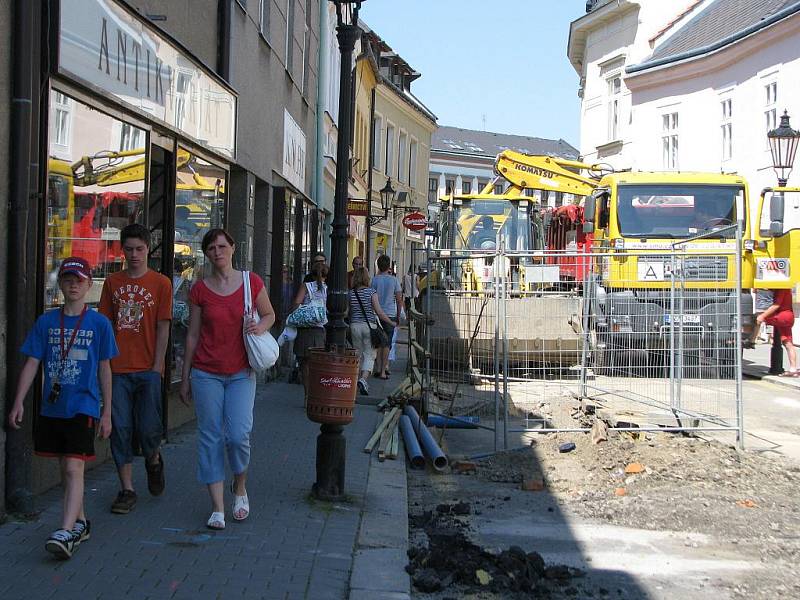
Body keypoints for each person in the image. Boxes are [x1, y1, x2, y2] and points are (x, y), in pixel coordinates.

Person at [8, 257, 118, 559]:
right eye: (68, 279)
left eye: (79, 280)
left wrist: (107, 411)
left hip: (83, 405)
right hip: (53, 405)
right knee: (66, 468)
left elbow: (106, 368)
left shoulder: (98, 323)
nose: (73, 284)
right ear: (61, 283)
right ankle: (81, 521)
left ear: (88, 284)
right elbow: (32, 362)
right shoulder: (46, 322)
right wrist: (19, 400)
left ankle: (65, 531)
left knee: (73, 466)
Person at [180, 229, 276, 530]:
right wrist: (184, 377)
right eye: (211, 248)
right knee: (210, 437)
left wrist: (260, 328)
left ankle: (240, 485)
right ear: (206, 254)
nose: (217, 251)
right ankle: (217, 507)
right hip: (206, 372)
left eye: (222, 246)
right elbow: (193, 335)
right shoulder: (200, 290)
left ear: (233, 248)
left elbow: (270, 314)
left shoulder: (251, 281)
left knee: (237, 436)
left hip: (240, 373)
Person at [99, 224, 172, 515]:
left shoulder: (161, 283)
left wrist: (157, 366)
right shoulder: (112, 282)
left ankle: (153, 459)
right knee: (121, 429)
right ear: (122, 250)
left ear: (147, 249)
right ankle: (126, 488)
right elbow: (105, 326)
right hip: (118, 369)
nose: (134, 255)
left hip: (148, 368)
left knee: (148, 428)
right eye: (128, 249)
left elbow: (163, 327)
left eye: (139, 249)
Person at [348, 267, 395, 395]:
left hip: (354, 326)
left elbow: (348, 312)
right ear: (366, 278)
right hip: (369, 326)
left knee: (358, 354)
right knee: (369, 355)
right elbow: (379, 312)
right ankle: (363, 380)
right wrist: (391, 322)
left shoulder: (350, 293)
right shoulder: (371, 292)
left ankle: (355, 380)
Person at [292, 261, 329, 387]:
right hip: (319, 329)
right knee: (317, 364)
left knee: (304, 364)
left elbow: (296, 304)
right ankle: (315, 391)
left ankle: (307, 393)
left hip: (305, 329)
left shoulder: (306, 286)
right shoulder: (327, 289)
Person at [371, 254, 402, 379]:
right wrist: (398, 316)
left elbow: (370, 297)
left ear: (378, 266)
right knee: (387, 343)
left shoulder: (374, 280)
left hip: (376, 314)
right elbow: (399, 300)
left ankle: (377, 368)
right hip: (390, 315)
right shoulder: (394, 280)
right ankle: (383, 370)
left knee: (378, 343)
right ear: (388, 266)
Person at [757, 287, 797, 376]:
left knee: (758, 318)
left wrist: (762, 316)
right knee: (788, 343)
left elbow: (776, 305)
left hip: (782, 315)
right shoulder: (786, 289)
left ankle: (752, 339)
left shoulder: (782, 289)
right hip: (789, 316)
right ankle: (793, 369)